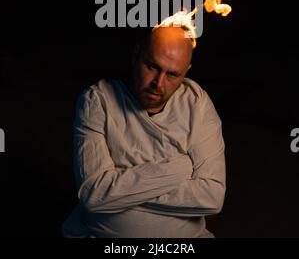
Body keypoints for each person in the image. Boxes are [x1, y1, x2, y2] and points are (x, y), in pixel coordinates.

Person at [62, 25, 226, 238]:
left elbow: (211, 197)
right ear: (136, 55)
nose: (158, 83)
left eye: (173, 75)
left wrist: (118, 190)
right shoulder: (98, 100)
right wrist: (178, 169)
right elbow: (94, 195)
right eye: (152, 67)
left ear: (186, 72)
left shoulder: (197, 103)